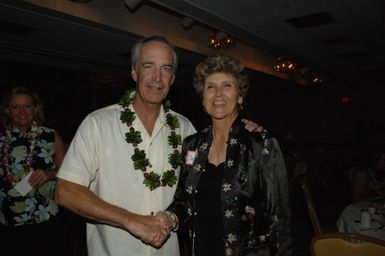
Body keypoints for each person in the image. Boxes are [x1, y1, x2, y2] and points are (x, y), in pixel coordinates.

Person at [55, 35, 262, 256]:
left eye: (165, 68)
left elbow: (199, 191)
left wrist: (243, 130)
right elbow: (65, 191)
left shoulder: (185, 130)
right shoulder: (98, 124)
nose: (157, 77)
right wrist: (131, 220)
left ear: (172, 77)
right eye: (148, 66)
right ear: (134, 71)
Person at [163, 54, 292, 256]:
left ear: (240, 96)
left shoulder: (261, 145)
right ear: (203, 97)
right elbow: (184, 199)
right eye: (210, 87)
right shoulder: (191, 145)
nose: (218, 94)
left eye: (227, 86)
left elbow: (280, 221)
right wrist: (169, 218)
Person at [0, 87, 67, 255]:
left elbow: (67, 172)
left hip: (44, 218)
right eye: (15, 107)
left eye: (27, 106)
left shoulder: (51, 136)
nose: (21, 112)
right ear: (7, 110)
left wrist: (50, 173)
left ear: (35, 108)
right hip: (7, 221)